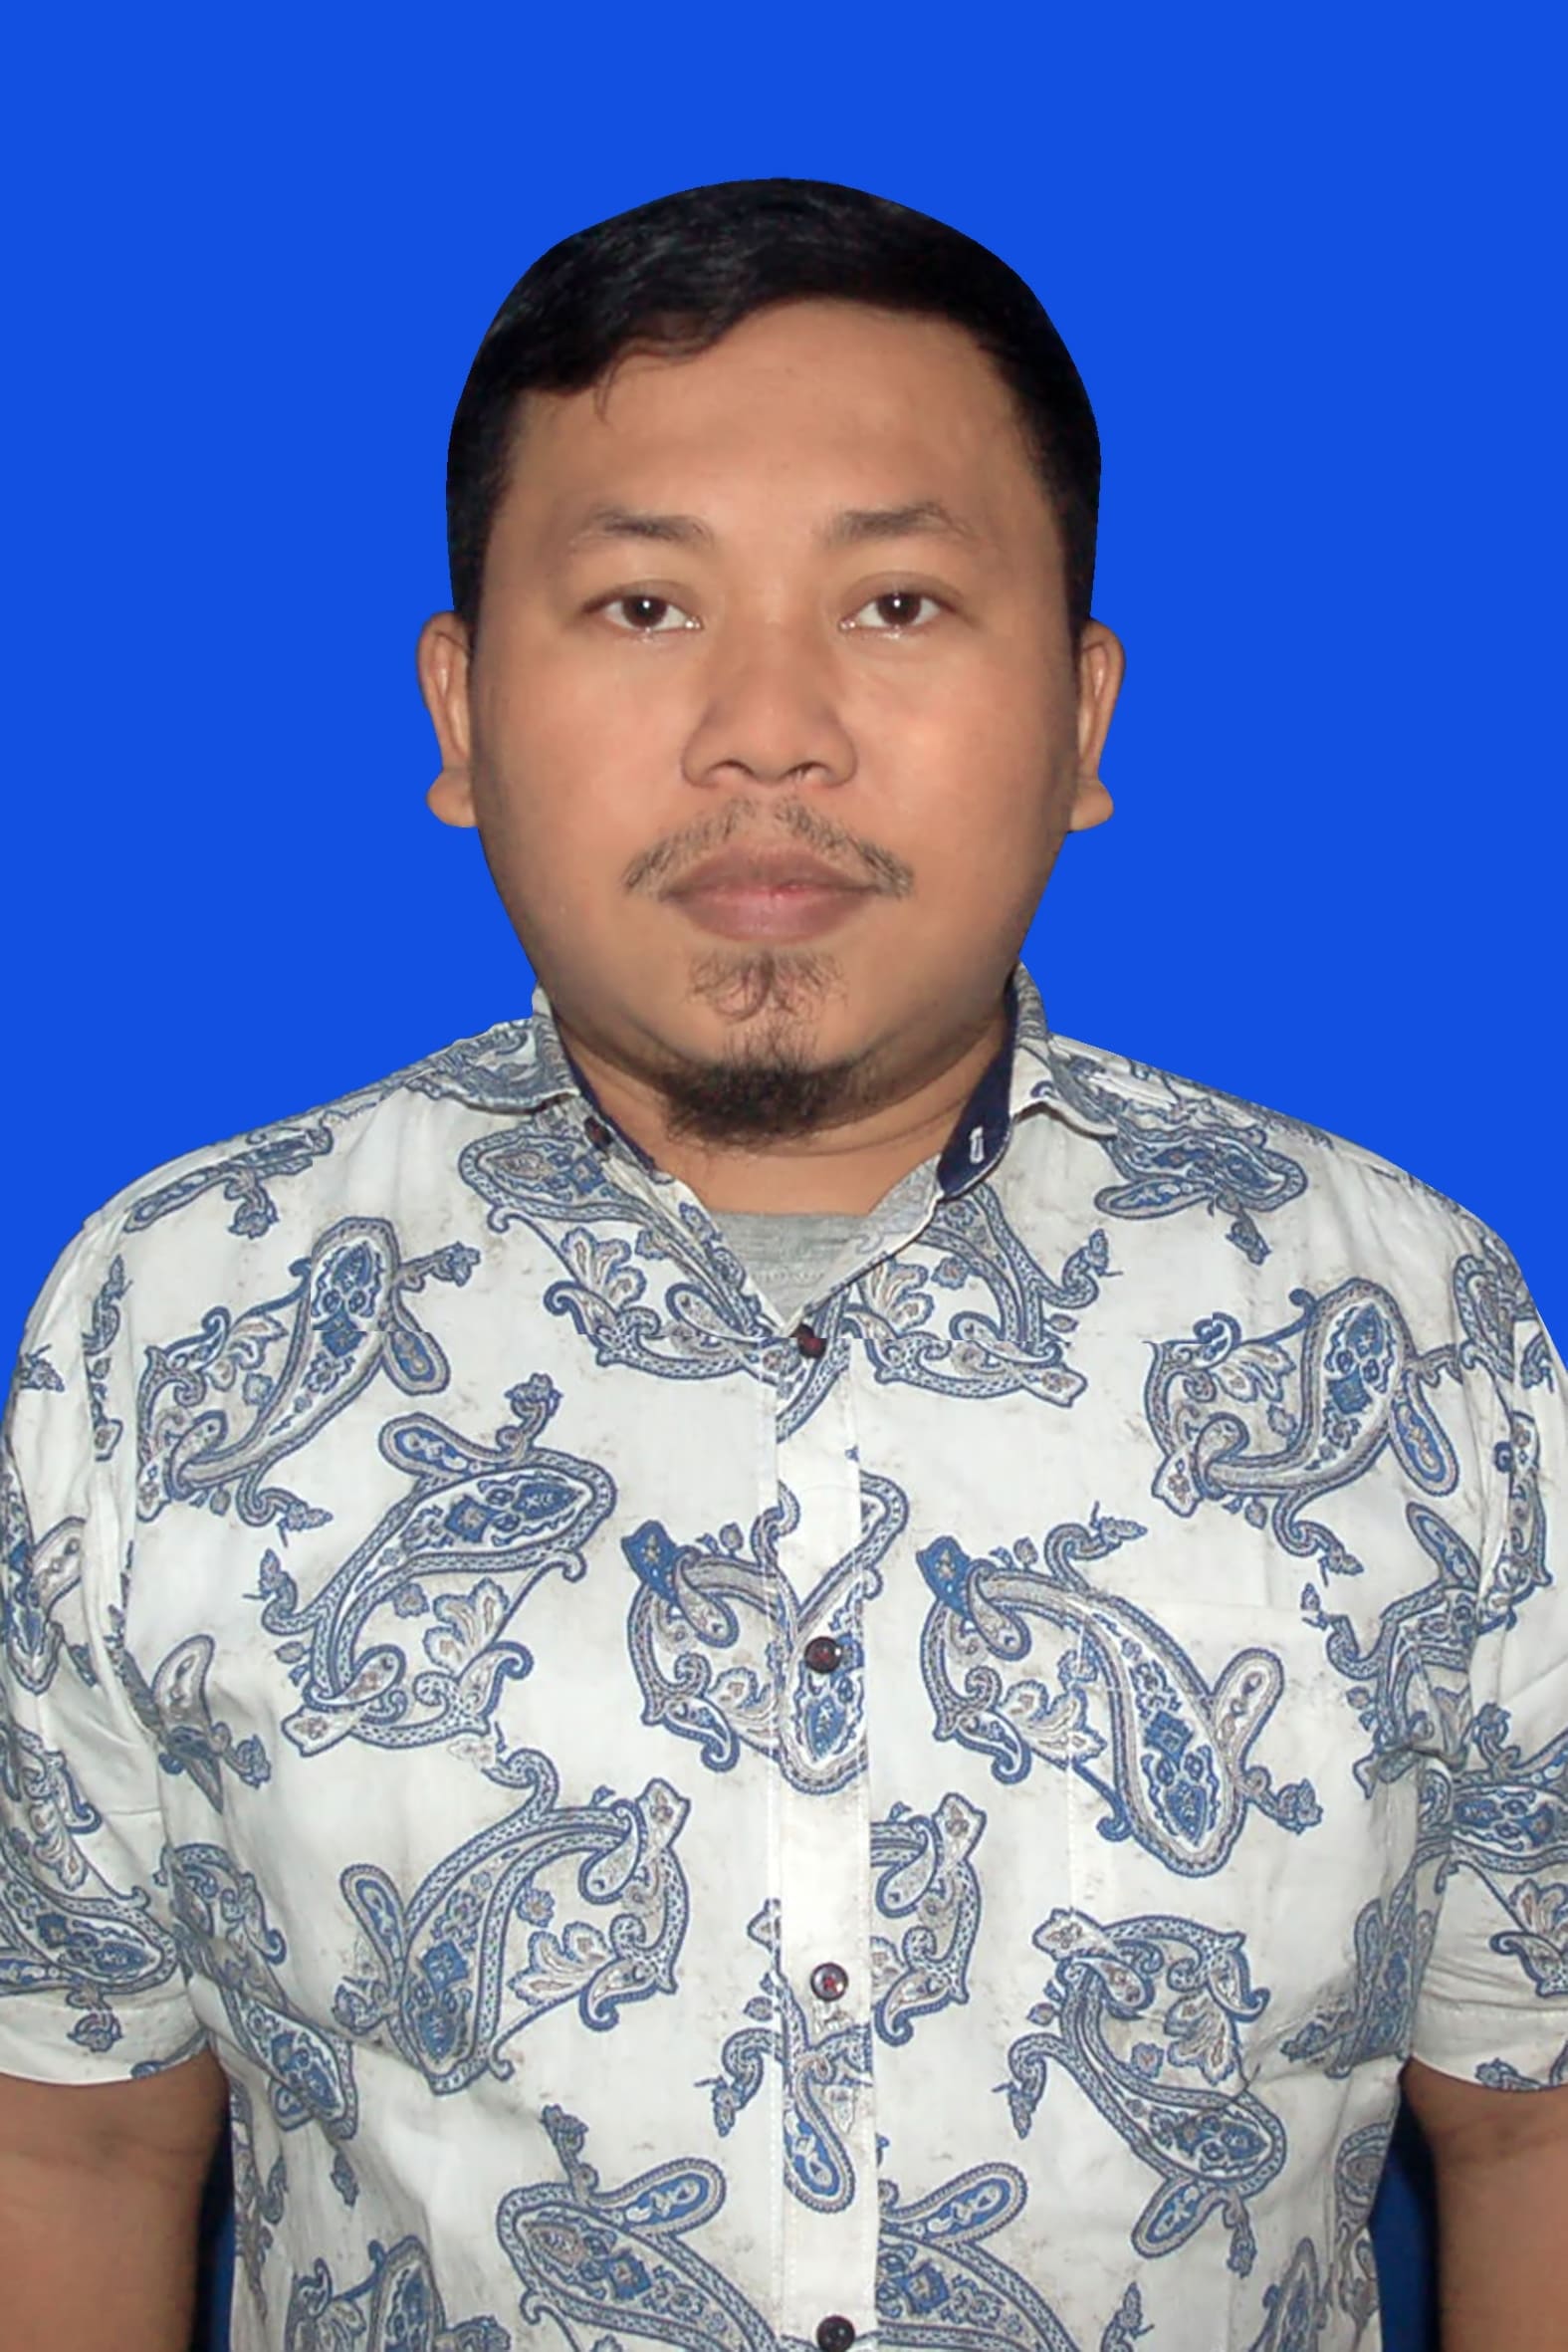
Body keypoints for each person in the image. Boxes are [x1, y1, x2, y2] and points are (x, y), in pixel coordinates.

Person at [1, 177, 1563, 2352]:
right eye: (644, 604)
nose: (767, 728)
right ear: (460, 708)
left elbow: (1526, 2128)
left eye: (897, 602)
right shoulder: (167, 1327)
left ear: (1081, 715)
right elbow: (72, 2141)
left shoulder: (1413, 1335)